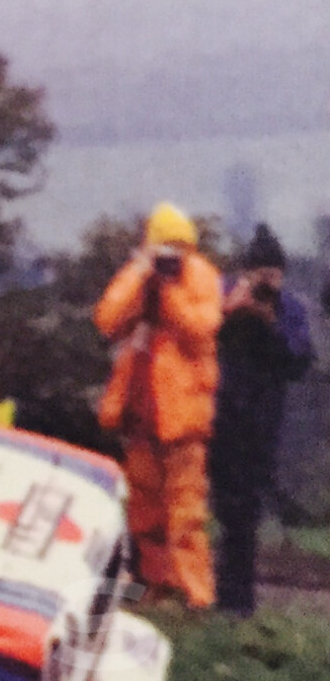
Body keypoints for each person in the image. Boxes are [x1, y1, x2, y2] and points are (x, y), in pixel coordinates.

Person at [93, 203, 224, 609]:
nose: (171, 257)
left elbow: (201, 327)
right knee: (144, 511)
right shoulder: (140, 274)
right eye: (164, 249)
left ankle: (195, 594)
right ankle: (154, 587)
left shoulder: (202, 276)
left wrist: (167, 292)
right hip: (139, 413)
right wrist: (139, 273)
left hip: (183, 418)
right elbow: (107, 319)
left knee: (186, 512)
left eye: (177, 249)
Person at [211, 224, 315, 616]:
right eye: (260, 274)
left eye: (274, 275)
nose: (267, 283)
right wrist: (230, 311)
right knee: (206, 507)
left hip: (262, 422)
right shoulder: (223, 293)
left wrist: (270, 323)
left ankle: (237, 603)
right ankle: (190, 591)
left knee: (245, 513)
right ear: (245, 272)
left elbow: (298, 363)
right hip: (219, 412)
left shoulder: (290, 309)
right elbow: (196, 337)